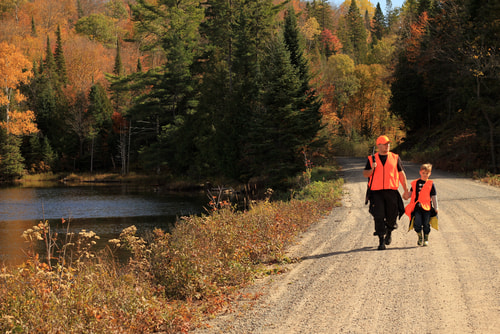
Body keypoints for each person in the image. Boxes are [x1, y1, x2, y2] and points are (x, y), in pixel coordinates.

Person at [363, 135, 410, 250]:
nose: (387, 146)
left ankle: (389, 232)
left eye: (388, 144)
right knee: (378, 216)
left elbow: (401, 175)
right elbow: (365, 174)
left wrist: (406, 190)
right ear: (378, 145)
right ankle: (381, 241)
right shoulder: (371, 159)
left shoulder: (395, 157)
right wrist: (372, 169)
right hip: (376, 193)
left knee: (392, 215)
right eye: (384, 144)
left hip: (391, 192)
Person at [404, 163, 439, 246]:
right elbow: (411, 193)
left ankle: (426, 238)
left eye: (427, 173)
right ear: (420, 172)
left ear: (430, 174)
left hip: (427, 208)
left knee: (426, 224)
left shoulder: (431, 184)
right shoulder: (415, 183)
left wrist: (436, 207)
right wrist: (406, 195)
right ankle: (420, 237)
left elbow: (434, 196)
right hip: (417, 207)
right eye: (423, 173)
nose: (425, 175)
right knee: (417, 223)